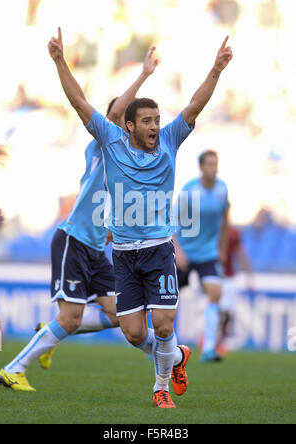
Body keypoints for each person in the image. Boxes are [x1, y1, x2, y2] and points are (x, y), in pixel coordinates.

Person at [40, 28, 231, 408]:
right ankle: (177, 356)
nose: (155, 126)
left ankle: (161, 387)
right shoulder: (109, 141)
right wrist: (60, 60)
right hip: (124, 255)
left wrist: (216, 69)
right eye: (147, 121)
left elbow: (193, 106)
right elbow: (79, 103)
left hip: (159, 249)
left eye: (157, 119)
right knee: (131, 332)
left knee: (163, 326)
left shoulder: (171, 141)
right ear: (129, 126)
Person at [0, 44, 159, 392]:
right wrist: (144, 74)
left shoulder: (132, 163)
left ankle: (49, 331)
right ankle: (13, 369)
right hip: (74, 240)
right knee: (69, 319)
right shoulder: (105, 142)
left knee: (118, 314)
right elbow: (115, 113)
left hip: (96, 248)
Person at [174, 150, 230, 363]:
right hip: (185, 253)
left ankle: (208, 348)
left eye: (215, 164)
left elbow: (225, 218)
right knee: (168, 297)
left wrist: (222, 249)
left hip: (208, 253)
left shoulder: (222, 189)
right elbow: (171, 218)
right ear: (201, 167)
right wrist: (177, 249)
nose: (213, 168)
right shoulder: (190, 190)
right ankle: (162, 344)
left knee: (215, 292)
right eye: (209, 164)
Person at [217, 223, 252, 354]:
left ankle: (219, 341)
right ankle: (213, 341)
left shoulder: (234, 232)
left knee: (226, 312)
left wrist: (249, 276)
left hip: (229, 278)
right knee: (217, 310)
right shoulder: (213, 228)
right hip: (214, 276)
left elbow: (241, 253)